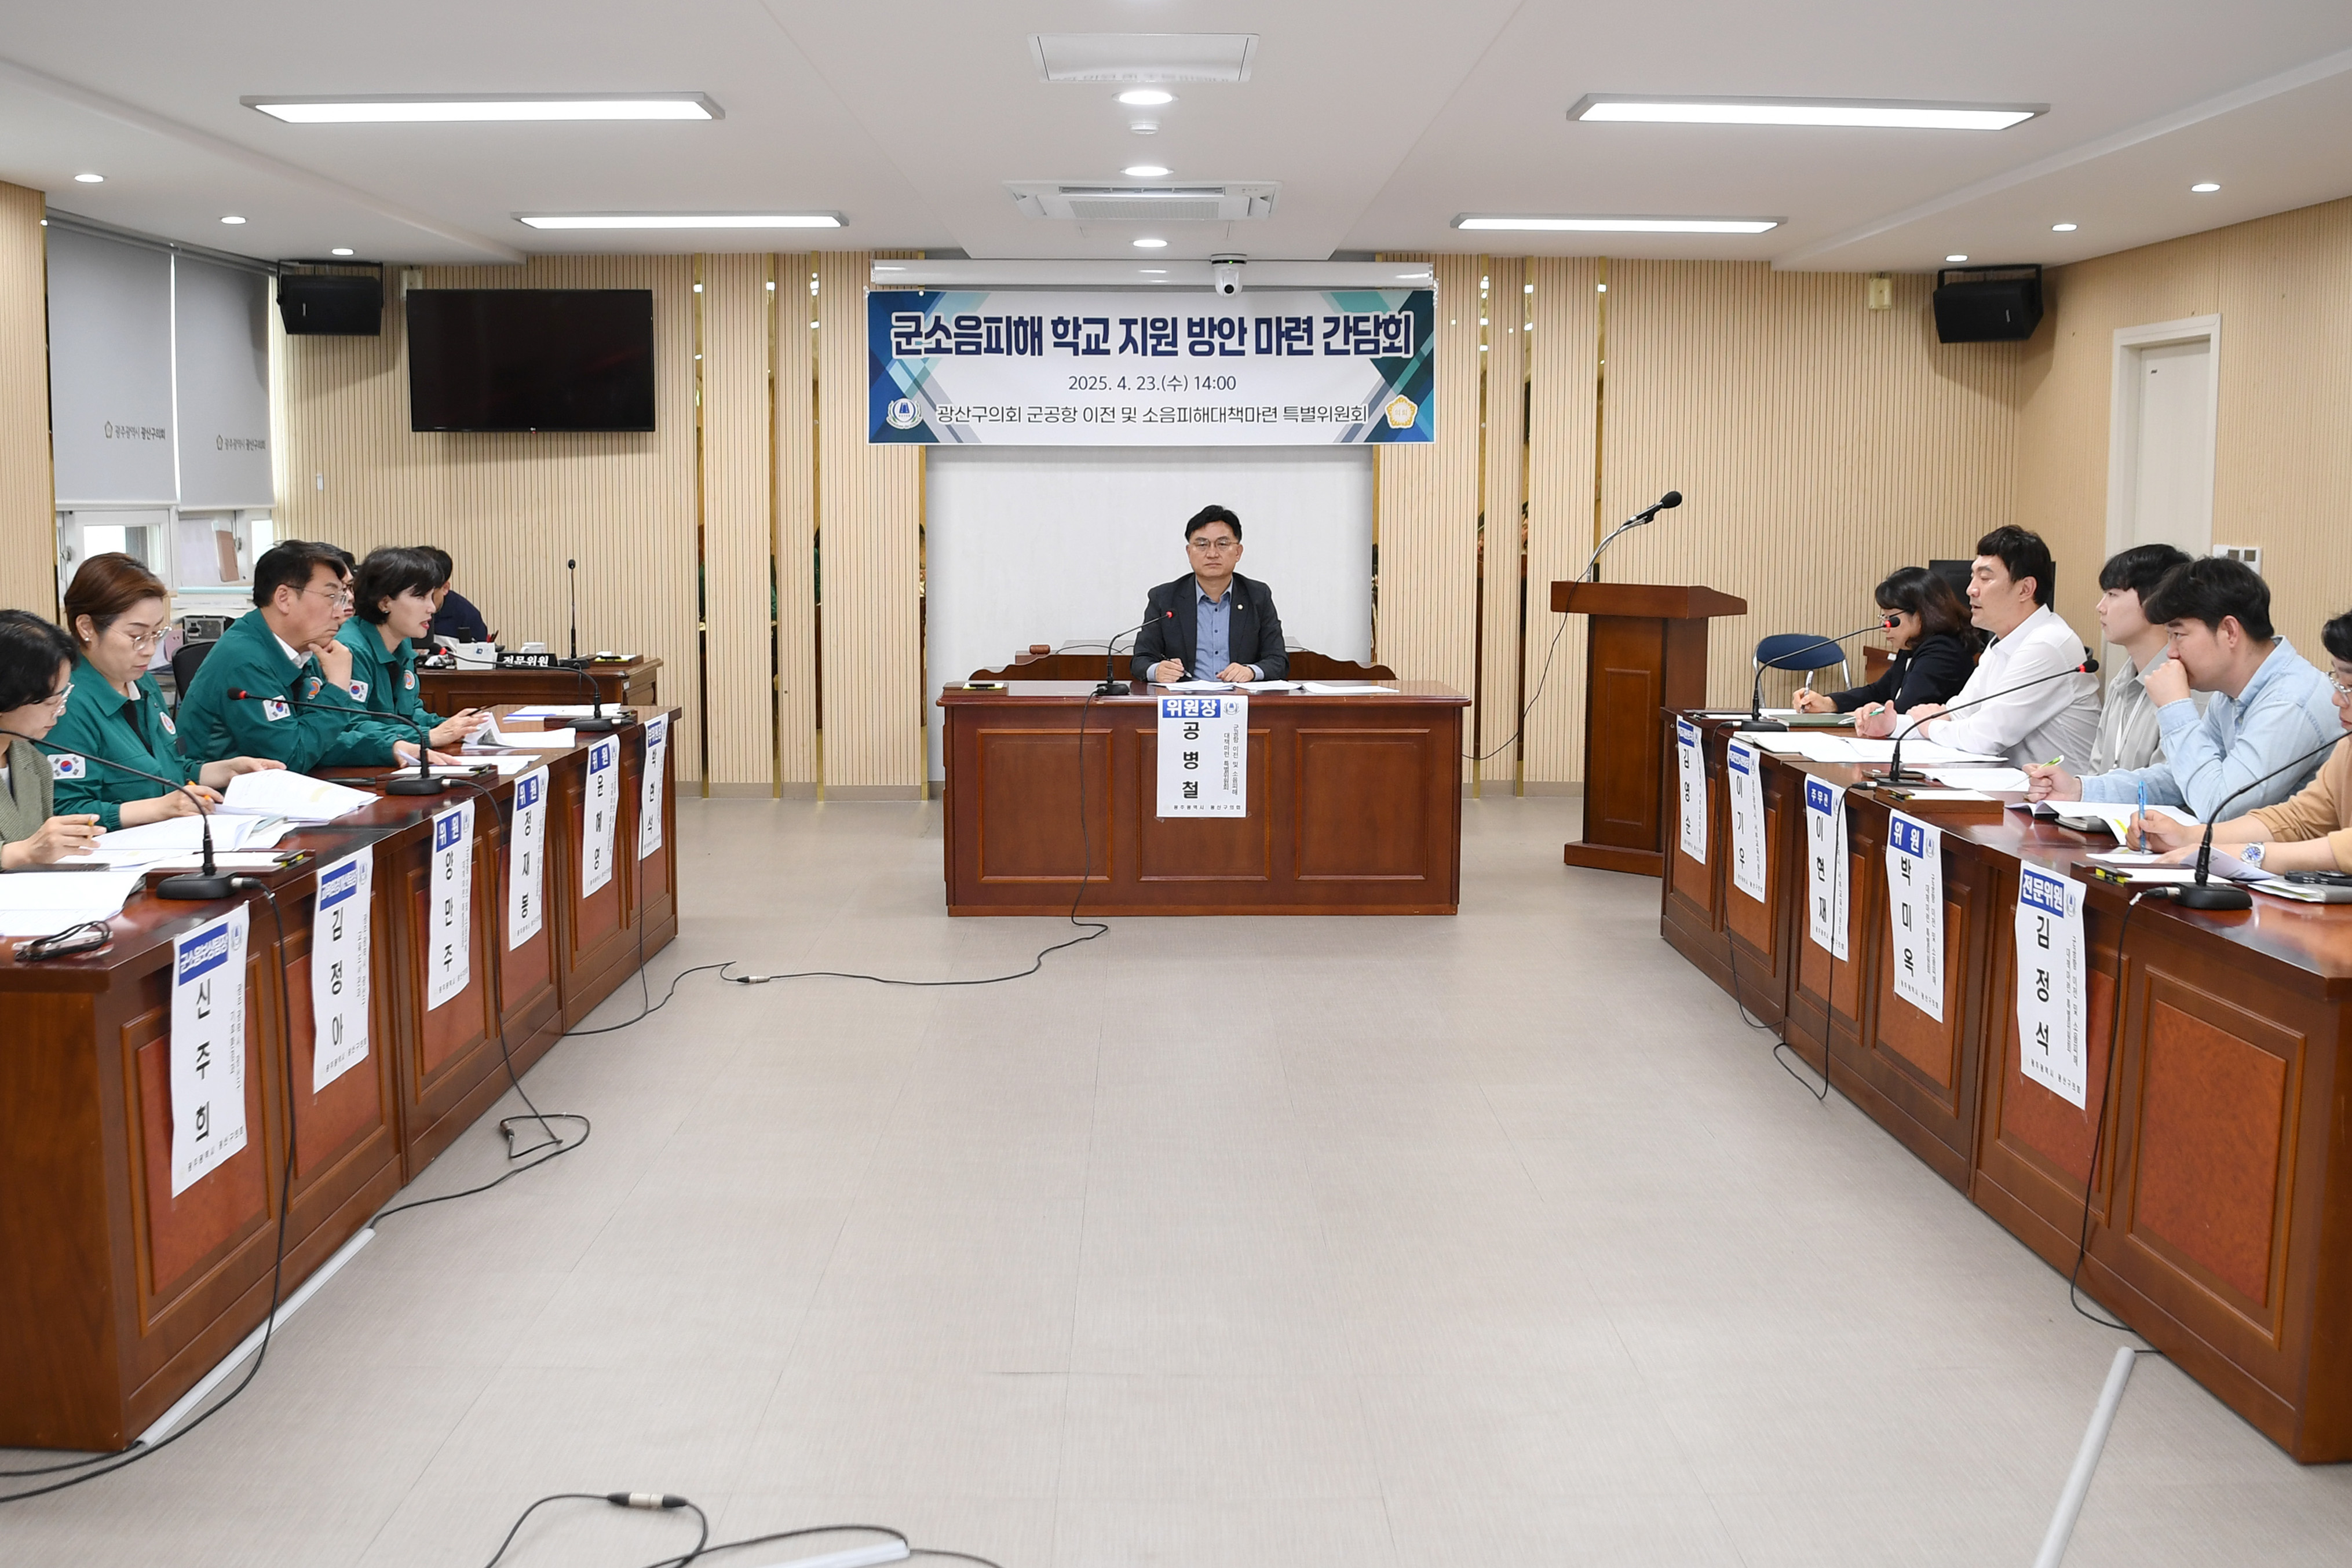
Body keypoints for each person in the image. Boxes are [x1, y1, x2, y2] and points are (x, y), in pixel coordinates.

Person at [2025, 557, 2336, 818]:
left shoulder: (2290, 701)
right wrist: (2080, 790)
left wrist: (2176, 708)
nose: (2171, 652)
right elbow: (2180, 780)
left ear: (2229, 631)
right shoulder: (2233, 694)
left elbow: (2219, 805)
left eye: (2179, 635)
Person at [45, 553, 282, 829]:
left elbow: (170, 770)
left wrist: (228, 770)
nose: (149, 649)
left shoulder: (142, 683)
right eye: (136, 636)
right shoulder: (65, 704)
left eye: (157, 634)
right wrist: (159, 809)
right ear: (87, 628)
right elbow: (67, 812)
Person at [177, 539, 454, 773]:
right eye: (331, 597)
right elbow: (292, 756)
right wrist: (337, 687)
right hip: (218, 802)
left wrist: (390, 746)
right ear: (284, 598)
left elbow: (321, 737)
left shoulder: (303, 647)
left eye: (343, 598)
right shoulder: (245, 659)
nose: (342, 612)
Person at [1856, 526, 2099, 767]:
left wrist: (1930, 725)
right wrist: (1892, 724)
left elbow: (1986, 738)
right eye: (1973, 577)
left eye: (1985, 578)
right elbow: (1960, 712)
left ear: (2025, 589)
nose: (1970, 589)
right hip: (2013, 782)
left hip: (2054, 791)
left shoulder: (2047, 645)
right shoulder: (2001, 642)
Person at [2133, 609, 2352, 873]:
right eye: (2338, 682)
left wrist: (2246, 854)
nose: (2337, 699)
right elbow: (2298, 820)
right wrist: (2189, 837)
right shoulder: (2348, 747)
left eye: (2349, 686)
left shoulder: (2292, 700)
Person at [338, 547, 491, 751]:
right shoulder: (350, 649)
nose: (432, 608)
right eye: (420, 597)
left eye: (431, 597)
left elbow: (410, 713)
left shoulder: (402, 642)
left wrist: (451, 726)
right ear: (385, 602)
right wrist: (428, 736)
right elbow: (351, 727)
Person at [1131, 505, 1288, 684]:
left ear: (1238, 552)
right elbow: (1141, 660)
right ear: (1189, 553)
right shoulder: (1164, 598)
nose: (1212, 554)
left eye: (1222, 544)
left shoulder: (1258, 596)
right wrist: (1158, 671)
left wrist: (1251, 671)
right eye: (1202, 545)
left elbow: (1278, 661)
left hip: (1240, 696)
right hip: (1184, 698)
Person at [1790, 566, 1977, 715]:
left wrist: (1864, 715)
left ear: (1922, 614)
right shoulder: (1912, 647)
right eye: (1884, 618)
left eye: (1891, 619)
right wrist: (1829, 703)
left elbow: (1904, 709)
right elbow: (1879, 691)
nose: (1885, 627)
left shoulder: (1944, 651)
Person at [0, 610, 105, 867]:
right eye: (50, 702)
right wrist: (21, 853)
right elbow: (28, 852)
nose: (61, 711)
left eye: (63, 697)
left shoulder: (33, 763)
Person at [2086, 543, 2198, 774]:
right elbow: (2096, 772)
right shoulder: (2121, 682)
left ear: (2155, 601)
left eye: (2112, 595)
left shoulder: (2187, 688)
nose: (2101, 607)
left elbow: (2168, 786)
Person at [418, 546, 492, 646]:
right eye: (416, 596)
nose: (424, 605)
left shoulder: (467, 615)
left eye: (428, 596)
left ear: (445, 588)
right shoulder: (400, 611)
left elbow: (480, 653)